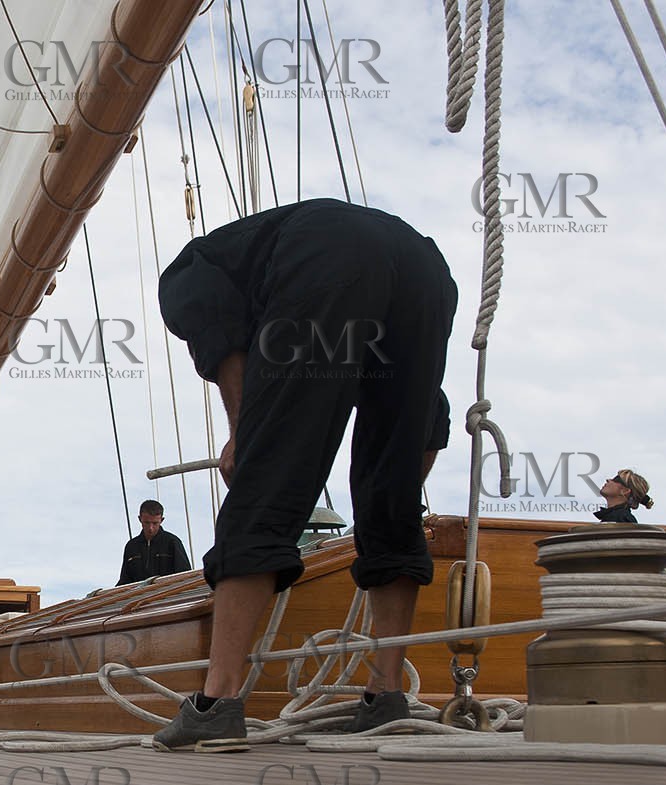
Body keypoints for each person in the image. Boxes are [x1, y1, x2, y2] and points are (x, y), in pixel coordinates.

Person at [151, 199, 456, 750]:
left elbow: (222, 335)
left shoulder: (190, 272)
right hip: (427, 268)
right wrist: (398, 493)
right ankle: (387, 694)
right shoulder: (403, 267)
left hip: (327, 251)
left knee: (266, 486)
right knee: (393, 499)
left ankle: (217, 703)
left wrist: (245, 433)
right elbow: (426, 418)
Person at [117, 500, 192, 585]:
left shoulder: (172, 542)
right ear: (139, 519)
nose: (150, 528)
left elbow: (184, 575)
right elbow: (125, 580)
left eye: (155, 523)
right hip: (139, 596)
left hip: (166, 595)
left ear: (162, 520)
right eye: (147, 523)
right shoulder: (131, 546)